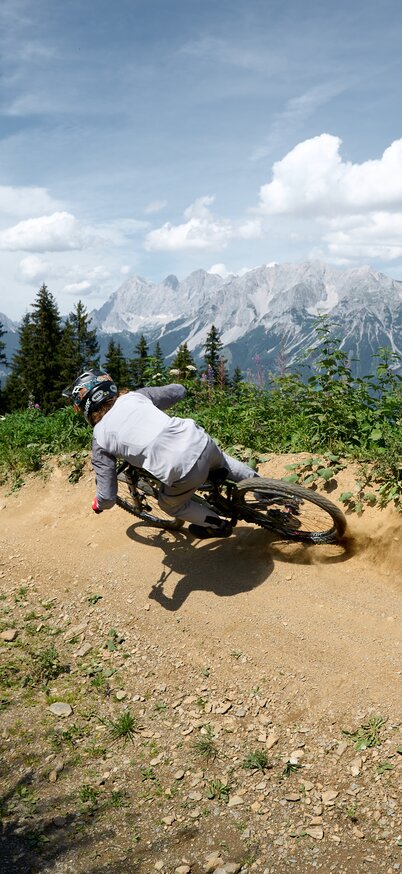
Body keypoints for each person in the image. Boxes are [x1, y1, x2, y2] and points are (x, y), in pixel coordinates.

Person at [62, 369, 259, 539]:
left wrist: (100, 504)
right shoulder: (136, 396)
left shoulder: (100, 437)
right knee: (223, 460)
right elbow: (179, 391)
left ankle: (216, 525)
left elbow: (107, 496)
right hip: (201, 441)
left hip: (182, 470)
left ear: (86, 406)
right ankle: (266, 488)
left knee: (171, 506)